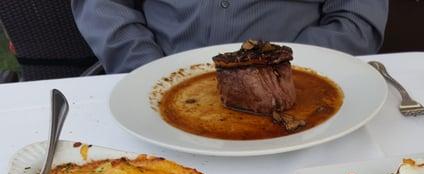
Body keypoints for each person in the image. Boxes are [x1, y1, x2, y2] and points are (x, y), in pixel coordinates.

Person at [71, 0, 389, 74]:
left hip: (298, 85)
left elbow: (357, 21)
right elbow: (103, 5)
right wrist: (149, 72)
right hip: (156, 72)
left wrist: (282, 73)